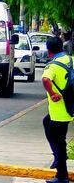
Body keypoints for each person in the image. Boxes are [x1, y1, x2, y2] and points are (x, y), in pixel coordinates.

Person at [41, 37, 73, 183]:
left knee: (59, 141)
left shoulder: (52, 66)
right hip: (71, 105)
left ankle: (62, 176)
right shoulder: (71, 60)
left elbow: (46, 80)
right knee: (46, 122)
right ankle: (58, 156)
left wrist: (53, 93)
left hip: (60, 110)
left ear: (48, 51)